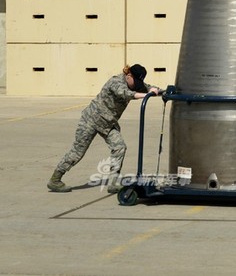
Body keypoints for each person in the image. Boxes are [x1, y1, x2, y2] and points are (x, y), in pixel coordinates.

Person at [47, 64, 161, 194]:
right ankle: (55, 179)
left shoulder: (135, 83)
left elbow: (148, 88)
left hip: (108, 124)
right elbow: (125, 93)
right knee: (77, 152)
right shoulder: (116, 82)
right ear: (128, 75)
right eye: (136, 81)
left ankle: (113, 182)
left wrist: (159, 91)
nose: (137, 84)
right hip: (91, 120)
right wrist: (147, 94)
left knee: (119, 147)